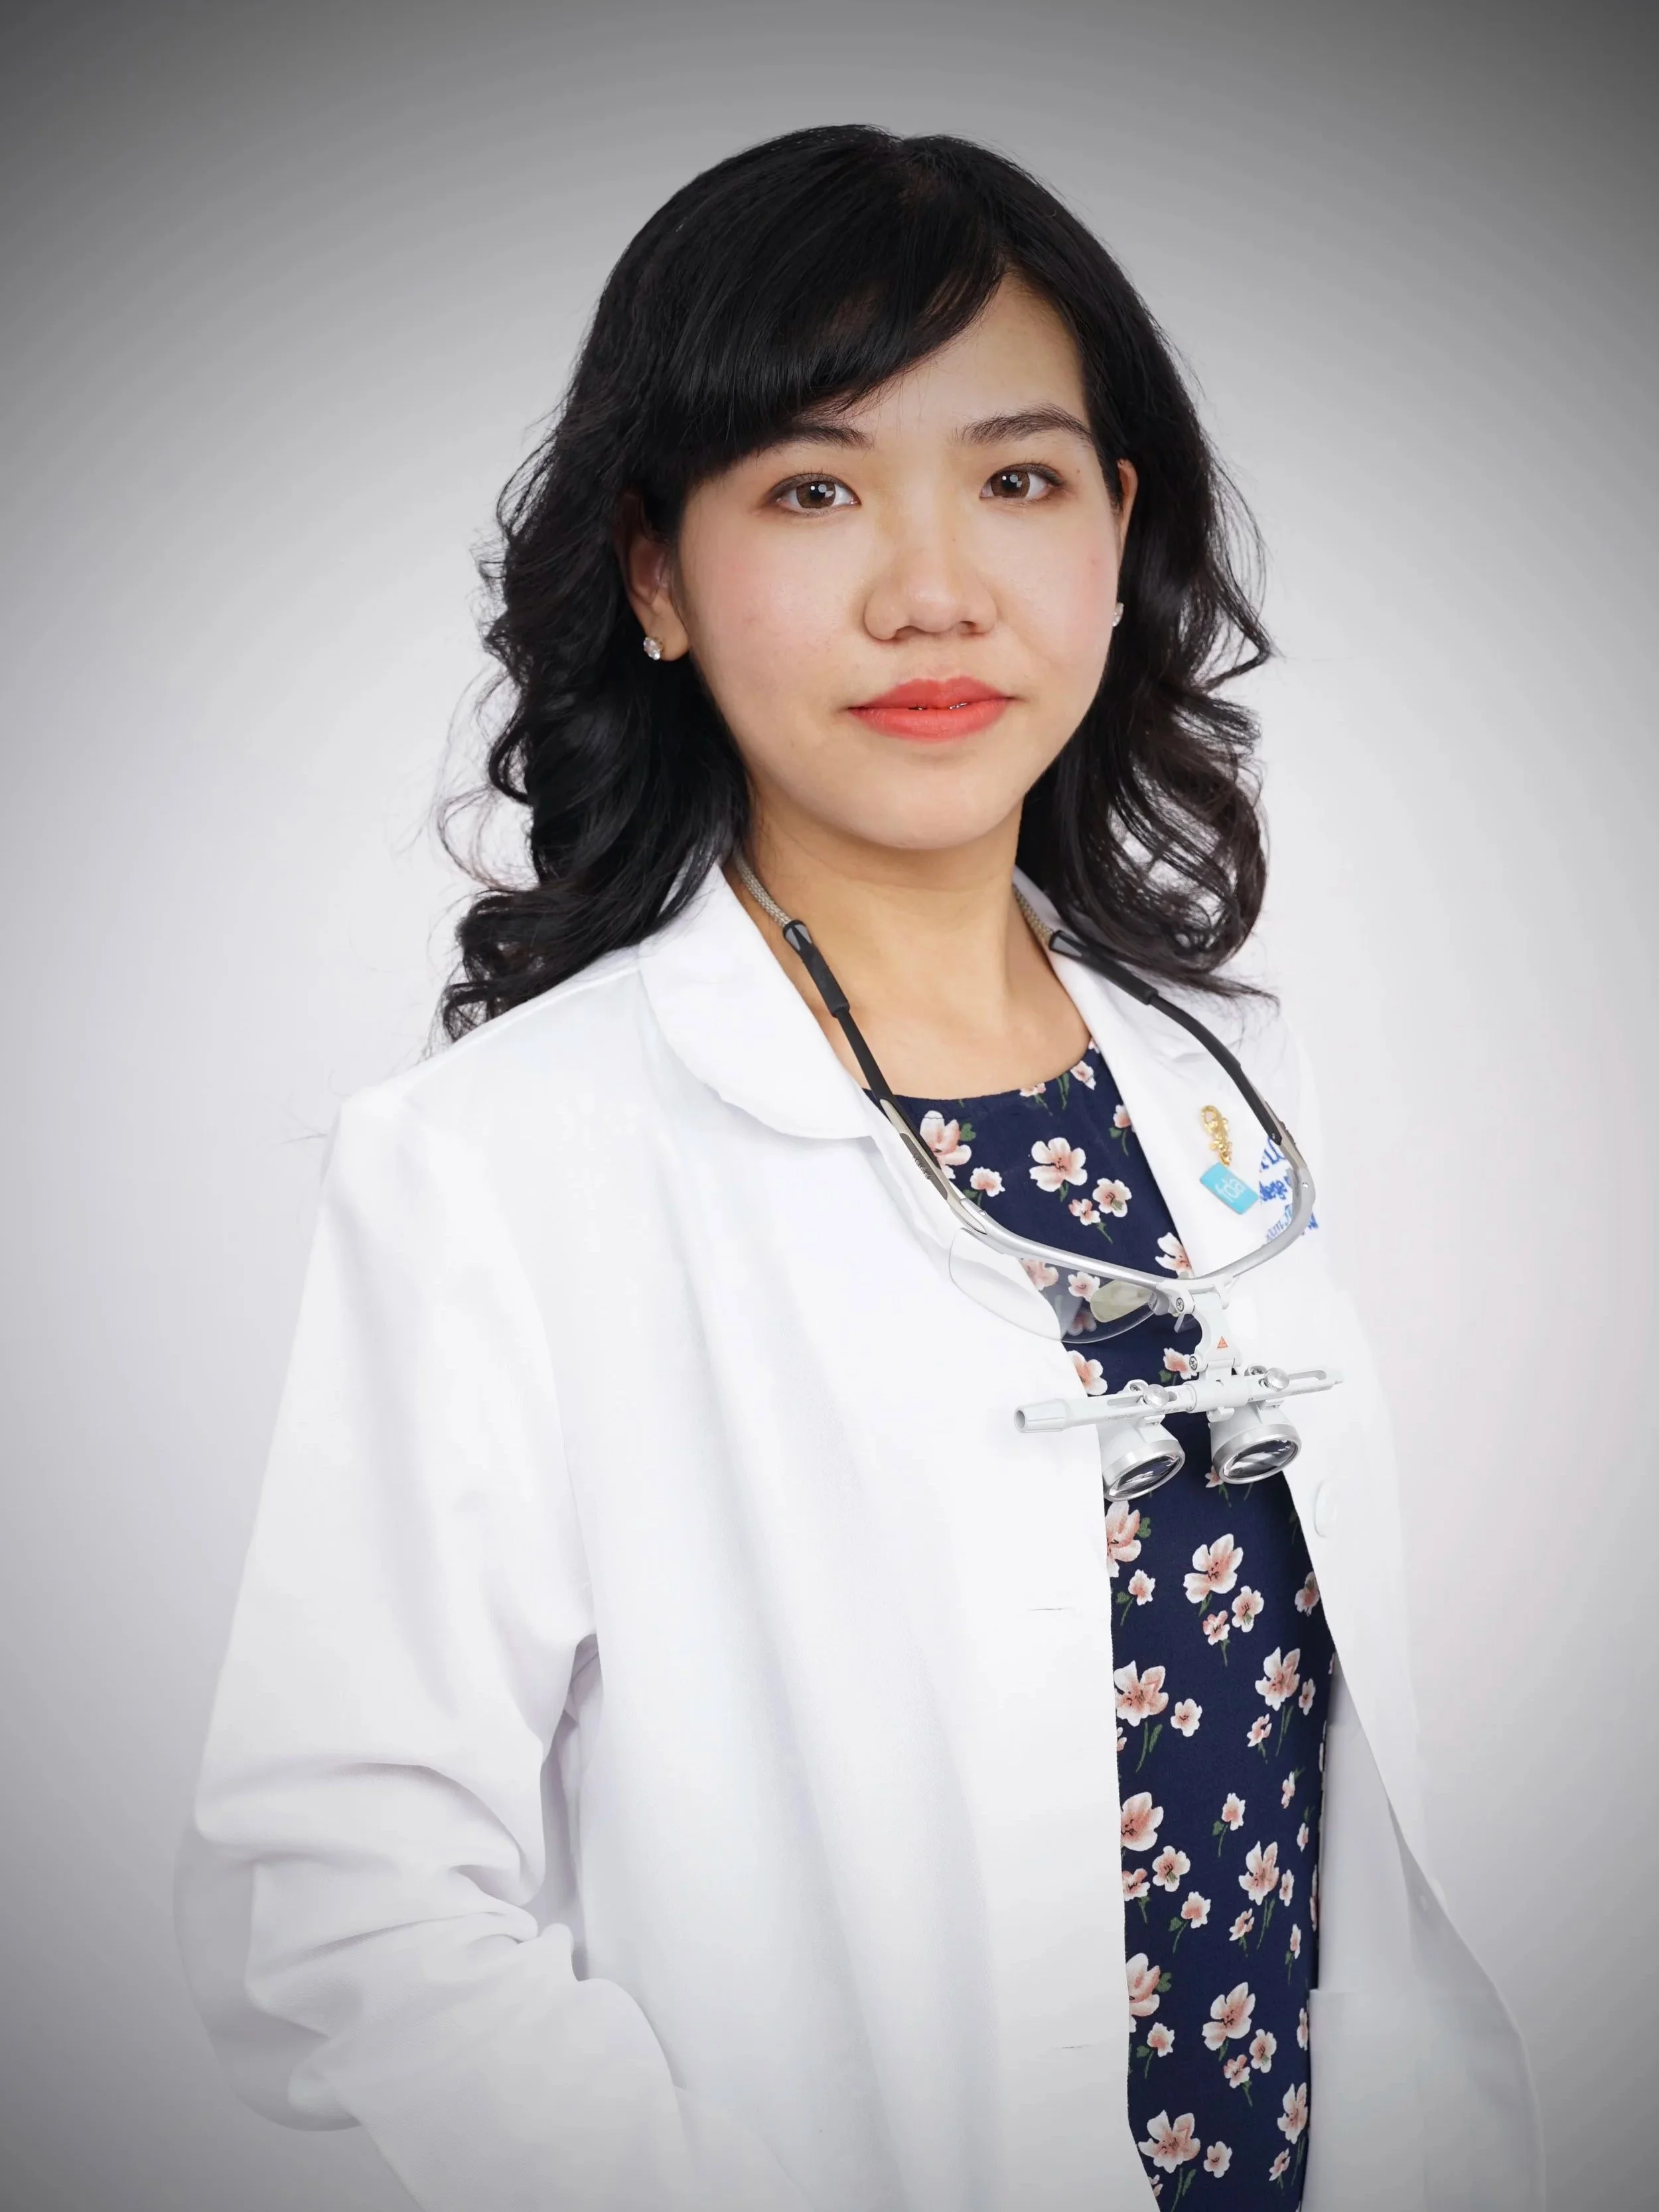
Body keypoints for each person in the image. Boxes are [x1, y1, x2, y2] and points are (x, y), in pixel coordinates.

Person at [176, 125, 1542, 2212]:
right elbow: (346, 1905)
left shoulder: (1224, 1102)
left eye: (1014, 478)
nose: (932, 587)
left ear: (1113, 533)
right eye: (812, 488)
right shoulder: (500, 1163)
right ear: (653, 569)